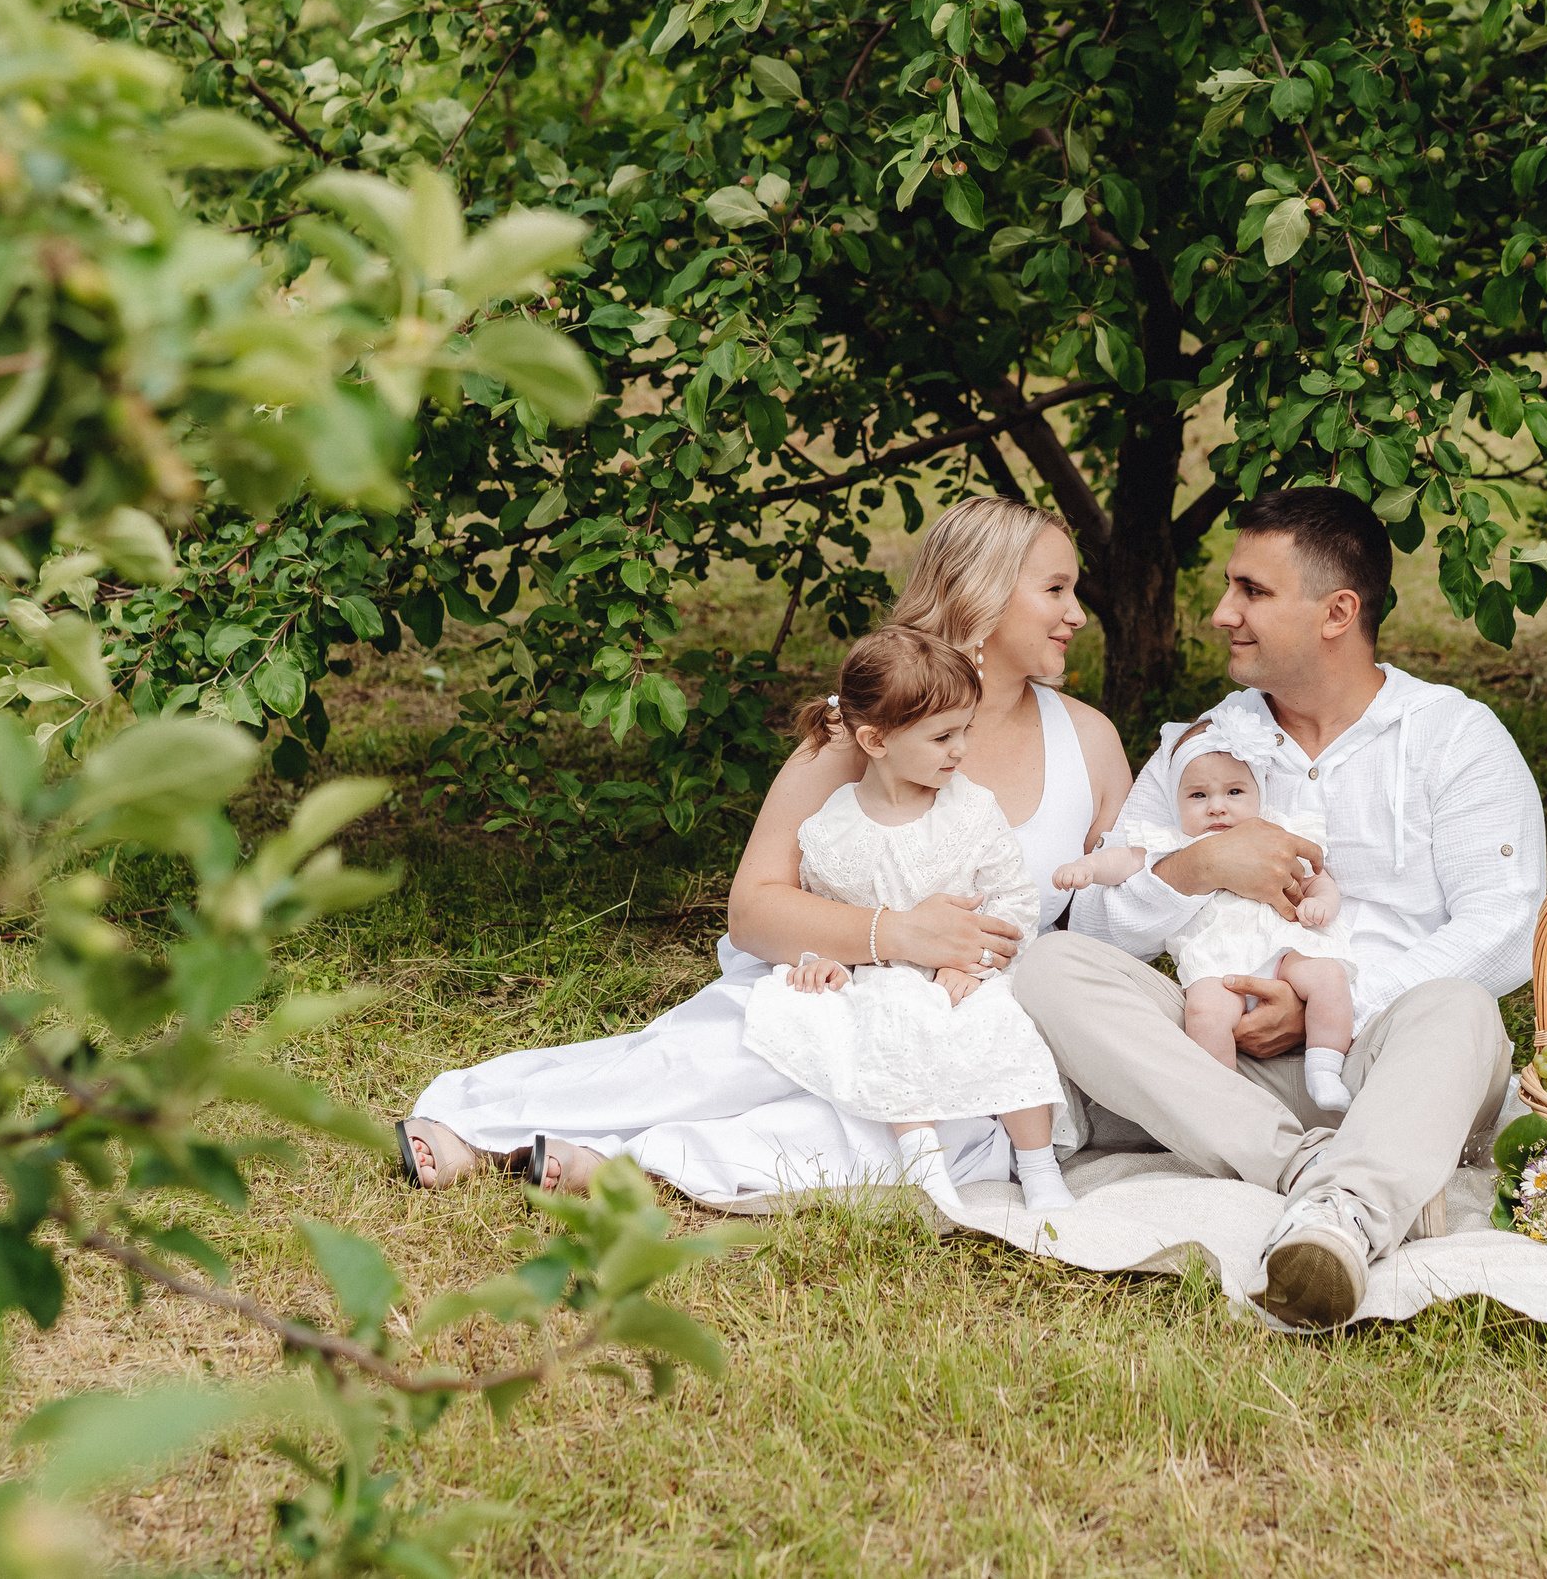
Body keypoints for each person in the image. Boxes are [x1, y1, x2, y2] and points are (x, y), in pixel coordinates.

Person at [394, 496, 1133, 1204]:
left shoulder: (1090, 743)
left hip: (964, 1020)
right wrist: (894, 933)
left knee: (895, 1129)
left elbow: (1114, 929)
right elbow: (753, 909)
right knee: (718, 1065)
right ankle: (475, 1124)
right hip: (829, 985)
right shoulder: (867, 729)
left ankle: (624, 1165)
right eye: (1057, 588)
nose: (1077, 612)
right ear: (986, 593)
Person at [1015, 486, 1545, 1332]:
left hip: (1395, 1066)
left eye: (1252, 591)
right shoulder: (1201, 747)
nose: (1223, 612)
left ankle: (1345, 1215)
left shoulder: (1453, 736)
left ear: (1338, 611)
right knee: (1048, 967)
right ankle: (1322, 1182)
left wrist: (1328, 1002)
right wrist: (1197, 866)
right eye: (1230, 587)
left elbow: (1506, 932)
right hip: (1220, 1059)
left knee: (1462, 1004)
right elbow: (1105, 931)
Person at [739, 626, 1074, 1213]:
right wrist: (825, 966)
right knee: (889, 1021)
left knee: (1002, 1023)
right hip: (883, 976)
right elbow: (828, 915)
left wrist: (979, 964)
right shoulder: (831, 828)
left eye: (965, 730)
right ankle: (925, 1166)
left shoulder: (970, 809)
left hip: (970, 971)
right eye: (943, 736)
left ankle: (1039, 1166)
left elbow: (1014, 899)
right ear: (875, 740)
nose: (961, 750)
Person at [1052, 731, 1356, 1110]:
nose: (1216, 807)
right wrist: (1087, 867)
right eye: (1198, 796)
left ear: (1259, 794)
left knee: (1328, 978)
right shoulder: (1175, 843)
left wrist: (1321, 902)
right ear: (1176, 802)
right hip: (1217, 963)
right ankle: (1225, 1100)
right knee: (1204, 1013)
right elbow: (1123, 860)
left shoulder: (1277, 833)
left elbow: (1315, 876)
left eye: (1234, 793)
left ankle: (1324, 1066)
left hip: (1283, 950)